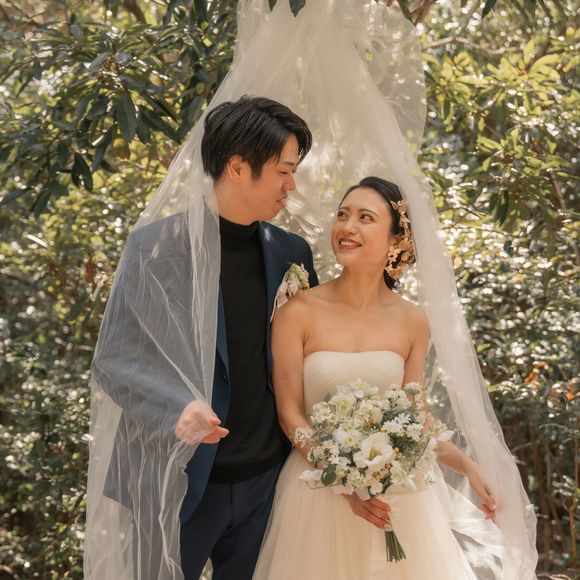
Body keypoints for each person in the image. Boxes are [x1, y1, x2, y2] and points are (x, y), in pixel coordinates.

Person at [85, 96, 318, 580]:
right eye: (283, 171)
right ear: (238, 167)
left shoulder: (292, 253)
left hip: (267, 483)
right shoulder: (154, 249)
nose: (291, 185)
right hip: (174, 479)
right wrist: (177, 407)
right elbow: (114, 360)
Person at [253, 177, 498, 579]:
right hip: (316, 494)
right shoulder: (298, 311)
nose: (347, 227)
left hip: (397, 497)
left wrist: (467, 465)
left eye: (365, 218)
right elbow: (290, 415)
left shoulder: (413, 321)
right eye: (342, 215)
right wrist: (343, 481)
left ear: (396, 239)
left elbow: (414, 421)